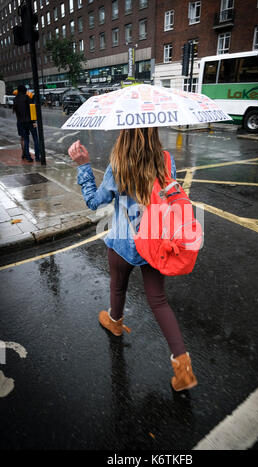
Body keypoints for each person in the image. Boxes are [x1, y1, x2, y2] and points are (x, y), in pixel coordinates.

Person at [68, 128, 198, 392]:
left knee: (118, 286)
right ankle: (183, 367)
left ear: (125, 134)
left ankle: (115, 322)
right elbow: (167, 198)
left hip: (122, 242)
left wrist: (83, 166)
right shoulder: (166, 159)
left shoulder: (118, 165)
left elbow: (94, 202)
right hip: (156, 242)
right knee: (159, 301)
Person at [13, 85, 40, 163]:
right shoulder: (27, 98)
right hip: (30, 122)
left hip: (21, 122)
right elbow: (32, 110)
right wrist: (34, 121)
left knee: (26, 140)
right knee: (35, 139)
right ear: (25, 90)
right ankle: (37, 157)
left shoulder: (15, 99)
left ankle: (28, 157)